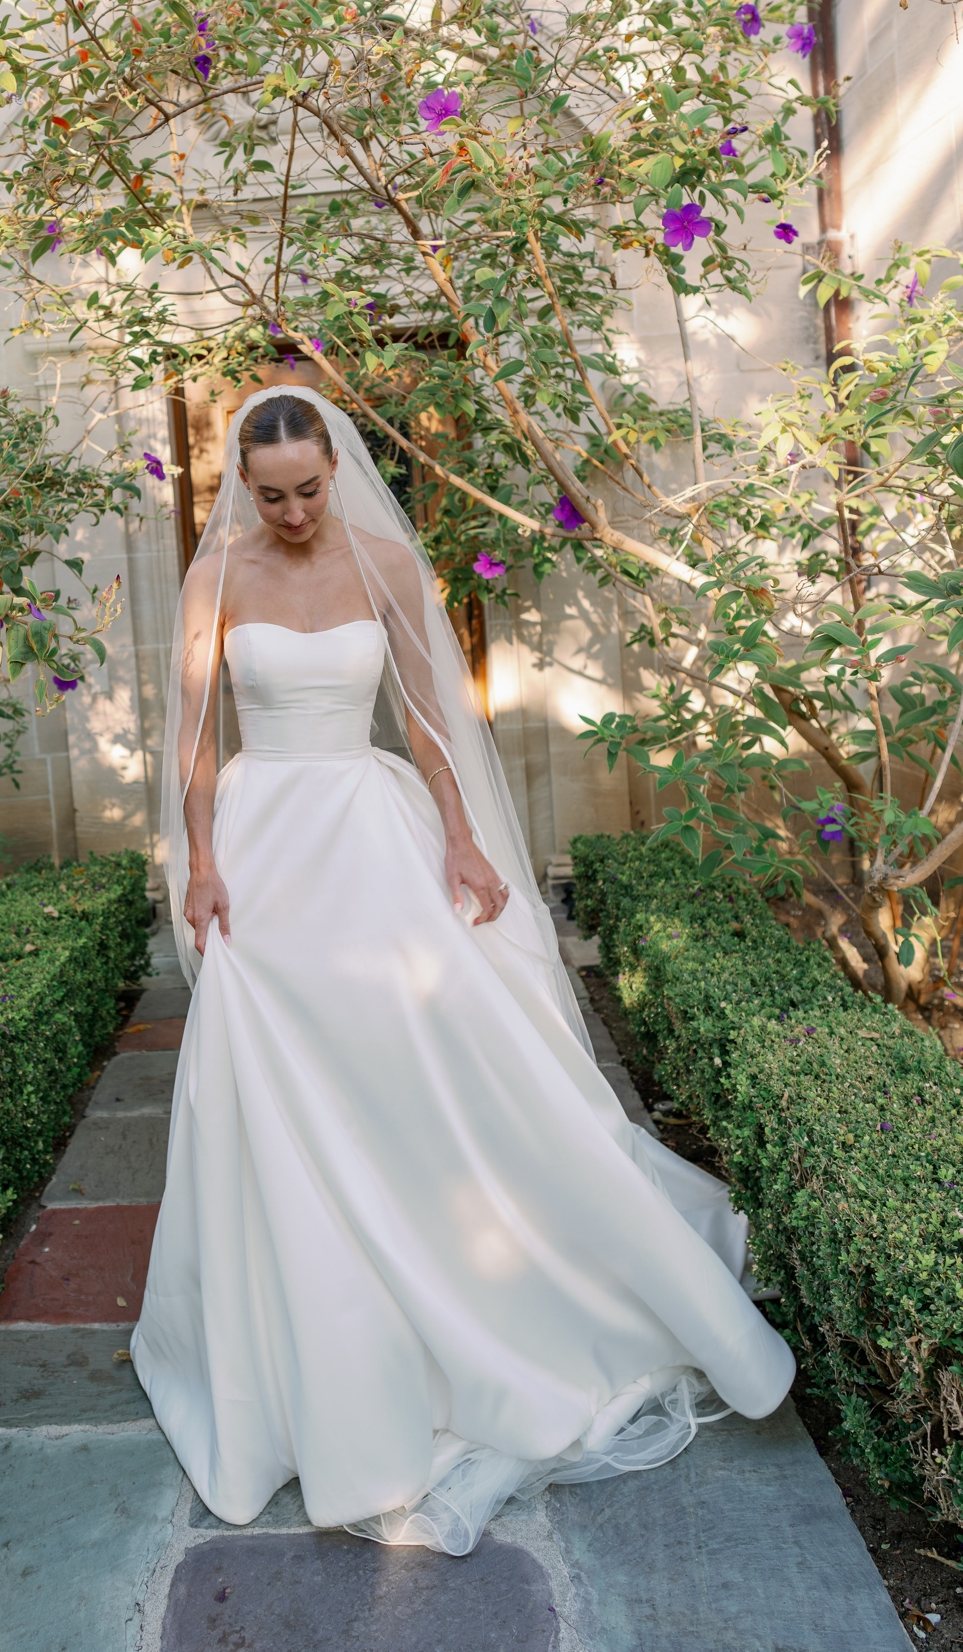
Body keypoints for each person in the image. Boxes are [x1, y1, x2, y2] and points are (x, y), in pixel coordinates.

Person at [130, 384, 794, 1554]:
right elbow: (194, 741)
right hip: (263, 843)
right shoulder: (214, 572)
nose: (288, 512)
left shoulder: (384, 559)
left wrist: (459, 831)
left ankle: (466, 1267)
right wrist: (197, 864)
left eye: (305, 489)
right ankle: (318, 1319)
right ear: (244, 481)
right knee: (278, 1068)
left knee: (414, 1051)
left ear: (332, 467)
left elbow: (428, 715)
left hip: (366, 828)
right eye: (267, 492)